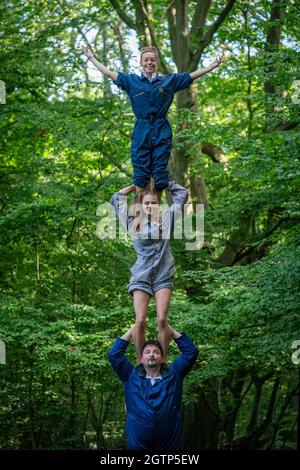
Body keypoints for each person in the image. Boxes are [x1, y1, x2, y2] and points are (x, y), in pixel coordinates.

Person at [82, 45, 224, 193]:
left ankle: (157, 211)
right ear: (141, 63)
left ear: (156, 62)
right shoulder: (131, 81)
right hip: (141, 130)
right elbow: (108, 73)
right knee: (140, 175)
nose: (149, 62)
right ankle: (138, 210)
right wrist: (91, 58)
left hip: (161, 129)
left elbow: (191, 76)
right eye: (146, 60)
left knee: (160, 176)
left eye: (152, 60)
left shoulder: (169, 81)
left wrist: (211, 66)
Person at [110, 180, 188, 362]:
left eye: (154, 203)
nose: (151, 206)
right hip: (141, 276)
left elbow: (182, 194)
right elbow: (117, 198)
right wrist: (135, 185)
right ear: (141, 206)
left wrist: (165, 183)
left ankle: (163, 362)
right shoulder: (132, 222)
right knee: (140, 320)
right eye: (147, 203)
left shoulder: (168, 218)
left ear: (158, 204)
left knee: (162, 320)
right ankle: (140, 362)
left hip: (163, 275)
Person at [108, 324, 198, 451]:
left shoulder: (174, 374)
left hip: (169, 442)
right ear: (141, 357)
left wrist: (170, 330)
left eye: (156, 352)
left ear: (161, 358)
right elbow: (114, 355)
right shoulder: (130, 375)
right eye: (147, 352)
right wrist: (133, 329)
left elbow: (191, 352)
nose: (151, 355)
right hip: (139, 442)